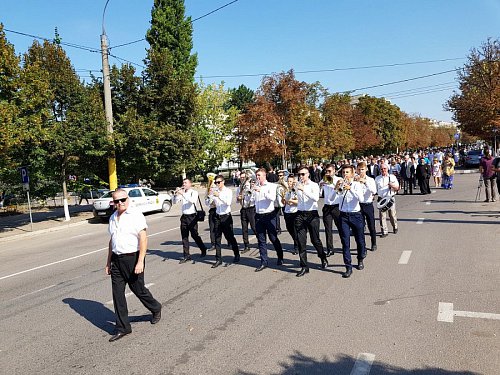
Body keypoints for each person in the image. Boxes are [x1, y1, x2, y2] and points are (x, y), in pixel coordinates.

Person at [105, 188, 162, 342]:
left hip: (133, 258)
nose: (120, 203)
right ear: (113, 203)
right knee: (117, 294)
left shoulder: (135, 215)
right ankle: (123, 327)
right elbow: (112, 241)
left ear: (128, 199)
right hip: (117, 260)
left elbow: (143, 238)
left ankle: (156, 308)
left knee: (138, 289)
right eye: (117, 201)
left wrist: (140, 261)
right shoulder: (112, 218)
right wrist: (108, 261)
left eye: (123, 199)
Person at [294, 166, 328, 277]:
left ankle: (323, 257)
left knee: (315, 240)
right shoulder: (297, 185)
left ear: (308, 174)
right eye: (299, 174)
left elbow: (316, 198)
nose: (301, 176)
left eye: (303, 174)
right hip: (300, 214)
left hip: (312, 214)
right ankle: (304, 266)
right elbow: (296, 198)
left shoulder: (314, 185)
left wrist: (304, 190)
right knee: (301, 241)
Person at [337, 165, 367, 278]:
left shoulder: (357, 185)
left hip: (356, 215)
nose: (345, 174)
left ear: (352, 173)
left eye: (347, 172)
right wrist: (338, 188)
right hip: (343, 216)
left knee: (359, 240)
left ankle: (360, 259)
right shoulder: (340, 185)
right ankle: (348, 266)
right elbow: (336, 197)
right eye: (344, 172)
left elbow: (361, 199)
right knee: (345, 242)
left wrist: (351, 189)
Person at [253, 168, 284, 271]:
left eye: (259, 175)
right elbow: (254, 201)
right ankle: (264, 262)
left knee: (273, 238)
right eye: (256, 175)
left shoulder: (271, 186)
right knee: (261, 240)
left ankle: (280, 256)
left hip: (269, 215)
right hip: (258, 215)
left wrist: (261, 190)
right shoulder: (256, 187)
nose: (257, 177)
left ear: (264, 175)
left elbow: (272, 198)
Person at [173, 179, 207, 263]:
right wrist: (175, 195)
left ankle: (203, 248)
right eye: (183, 183)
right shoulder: (182, 192)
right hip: (184, 217)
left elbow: (192, 201)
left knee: (195, 235)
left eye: (185, 183)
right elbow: (174, 202)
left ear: (190, 184)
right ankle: (186, 255)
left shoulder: (193, 192)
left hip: (192, 217)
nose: (183, 184)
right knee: (184, 237)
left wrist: (182, 194)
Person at [208, 175, 240, 268]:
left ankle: (236, 254)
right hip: (217, 217)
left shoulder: (228, 191)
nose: (217, 184)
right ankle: (218, 259)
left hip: (226, 217)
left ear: (223, 182)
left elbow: (228, 202)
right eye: (216, 182)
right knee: (217, 239)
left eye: (218, 182)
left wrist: (219, 195)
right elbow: (209, 203)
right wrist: (209, 196)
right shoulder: (215, 191)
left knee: (230, 237)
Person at [320, 164, 342, 257]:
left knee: (341, 228)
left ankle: (345, 245)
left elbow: (340, 192)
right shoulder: (323, 179)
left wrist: (333, 183)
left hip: (336, 206)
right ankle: (330, 249)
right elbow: (319, 193)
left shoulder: (338, 180)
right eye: (326, 171)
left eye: (329, 171)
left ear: (334, 171)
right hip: (327, 206)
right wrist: (320, 186)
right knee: (328, 229)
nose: (327, 173)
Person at [356, 162, 378, 251]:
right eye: (359, 169)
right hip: (358, 205)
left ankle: (374, 243)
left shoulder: (370, 180)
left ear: (366, 170)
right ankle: (362, 246)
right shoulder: (355, 179)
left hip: (368, 204)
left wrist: (365, 183)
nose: (361, 171)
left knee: (371, 226)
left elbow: (374, 191)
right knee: (360, 227)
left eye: (362, 169)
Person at [375, 164, 400, 237]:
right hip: (381, 199)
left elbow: (397, 188)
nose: (383, 170)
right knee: (382, 216)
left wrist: (392, 186)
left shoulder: (392, 177)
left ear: (387, 169)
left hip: (390, 198)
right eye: (382, 169)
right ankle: (384, 231)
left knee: (392, 215)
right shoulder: (377, 178)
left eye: (384, 168)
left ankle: (395, 226)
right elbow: (375, 190)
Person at [236, 171, 256, 253]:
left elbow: (253, 198)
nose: (242, 179)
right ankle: (246, 245)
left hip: (251, 208)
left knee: (254, 227)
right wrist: (239, 198)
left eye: (244, 177)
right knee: (244, 229)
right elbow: (237, 201)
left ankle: (261, 241)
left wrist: (249, 193)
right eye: (241, 177)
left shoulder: (250, 186)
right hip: (243, 208)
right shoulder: (239, 187)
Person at [282, 174, 299, 255]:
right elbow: (283, 202)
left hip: (294, 212)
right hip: (287, 212)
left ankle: (297, 246)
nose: (289, 183)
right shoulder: (286, 190)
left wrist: (291, 201)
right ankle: (297, 241)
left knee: (295, 230)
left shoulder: (295, 190)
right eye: (288, 181)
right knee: (289, 229)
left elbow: (298, 202)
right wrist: (283, 200)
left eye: (291, 181)